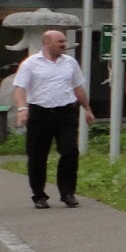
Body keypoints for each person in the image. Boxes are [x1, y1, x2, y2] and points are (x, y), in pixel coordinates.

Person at [11, 29, 96, 209]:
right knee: (37, 155)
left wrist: (87, 109)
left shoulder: (70, 63)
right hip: (40, 113)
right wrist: (22, 108)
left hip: (66, 113)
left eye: (64, 41)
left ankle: (67, 193)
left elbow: (78, 87)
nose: (64, 45)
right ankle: (39, 195)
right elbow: (20, 88)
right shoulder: (30, 63)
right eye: (60, 42)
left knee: (70, 151)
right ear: (47, 43)